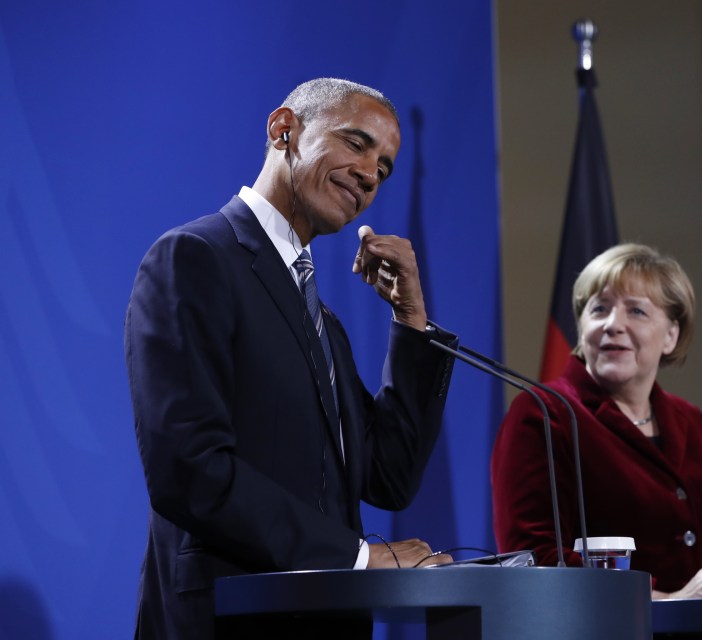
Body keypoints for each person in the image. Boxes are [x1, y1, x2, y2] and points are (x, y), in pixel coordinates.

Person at [124, 78, 457, 638]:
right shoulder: (193, 259)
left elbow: (387, 476)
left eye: (385, 166)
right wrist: (356, 558)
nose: (371, 175)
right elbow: (191, 472)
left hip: (326, 620)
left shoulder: (322, 322)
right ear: (285, 130)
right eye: (356, 143)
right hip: (229, 620)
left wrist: (412, 321)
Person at [491, 243, 702, 599]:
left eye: (636, 311)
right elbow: (534, 560)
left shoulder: (689, 420)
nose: (613, 324)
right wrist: (674, 603)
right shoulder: (543, 413)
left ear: (671, 336)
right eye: (599, 309)